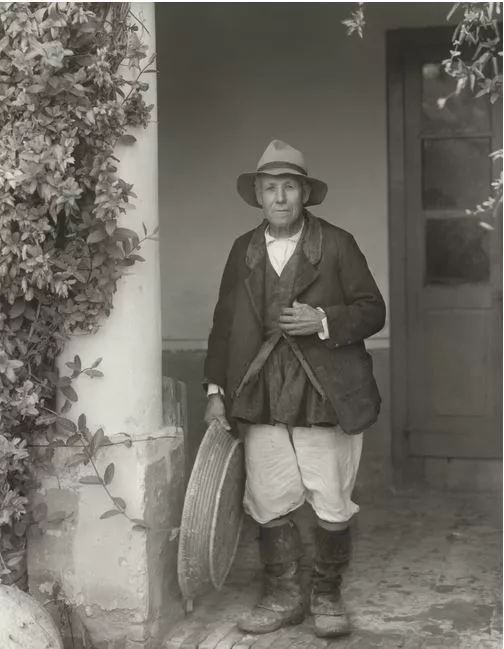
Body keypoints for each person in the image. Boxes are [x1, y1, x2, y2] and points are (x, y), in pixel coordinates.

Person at [203, 140, 385, 638]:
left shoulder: (338, 244)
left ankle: (326, 596)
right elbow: (223, 324)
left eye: (289, 188)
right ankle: (283, 596)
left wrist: (323, 319)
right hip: (259, 390)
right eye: (270, 188)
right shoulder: (243, 249)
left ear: (304, 194)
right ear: (258, 196)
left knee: (330, 497)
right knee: (267, 496)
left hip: (325, 391)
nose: (279, 198)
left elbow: (373, 309)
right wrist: (216, 389)